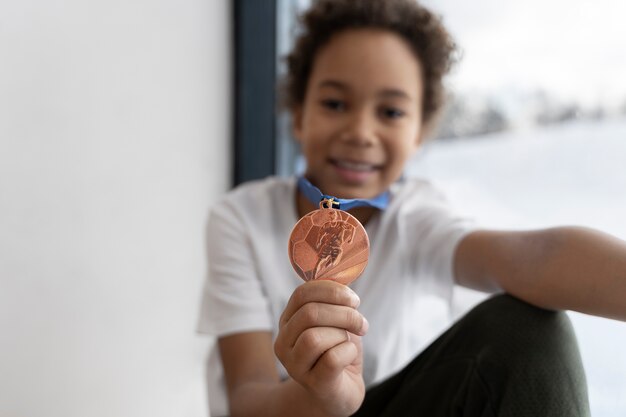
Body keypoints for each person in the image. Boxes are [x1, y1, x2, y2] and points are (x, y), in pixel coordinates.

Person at [197, 0, 626, 416]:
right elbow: (247, 400)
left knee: (527, 329)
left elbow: (532, 258)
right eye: (335, 103)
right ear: (298, 114)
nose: (361, 132)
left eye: (391, 111)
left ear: (420, 132)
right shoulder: (241, 218)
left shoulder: (417, 217)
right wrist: (324, 397)